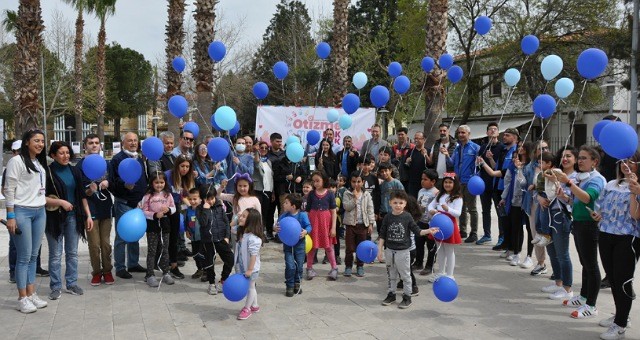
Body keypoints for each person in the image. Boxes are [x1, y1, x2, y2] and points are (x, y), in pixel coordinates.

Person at [551, 145, 606, 319]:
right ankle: (583, 296)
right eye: (580, 157)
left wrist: (569, 182)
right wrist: (564, 196)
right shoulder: (583, 177)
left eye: (584, 158)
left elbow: (588, 198)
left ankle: (591, 304)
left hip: (590, 225)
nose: (580, 161)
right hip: (580, 223)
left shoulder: (596, 179)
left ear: (594, 162)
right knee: (584, 263)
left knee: (591, 265)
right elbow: (575, 201)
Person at [590, 153, 639, 339]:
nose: (626, 165)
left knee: (623, 281)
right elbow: (601, 207)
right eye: (623, 162)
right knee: (612, 278)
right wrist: (598, 215)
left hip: (628, 238)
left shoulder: (637, 188)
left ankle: (620, 326)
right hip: (606, 234)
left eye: (631, 162)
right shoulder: (612, 184)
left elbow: (635, 216)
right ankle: (620, 316)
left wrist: (635, 191)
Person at [4, 129, 50, 313]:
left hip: (40, 211)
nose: (40, 144)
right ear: (26, 143)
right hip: (22, 212)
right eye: (36, 141)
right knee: (23, 258)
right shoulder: (16, 161)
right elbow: (9, 189)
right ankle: (22, 298)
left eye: (42, 141)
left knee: (33, 257)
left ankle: (31, 294)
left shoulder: (38, 163)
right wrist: (11, 216)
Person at [44, 141, 94, 300]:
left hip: (74, 217)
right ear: (53, 155)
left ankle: (71, 283)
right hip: (54, 218)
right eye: (61, 153)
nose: (65, 156)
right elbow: (40, 197)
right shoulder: (47, 173)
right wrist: (61, 203)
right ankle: (56, 286)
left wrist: (88, 215)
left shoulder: (74, 171)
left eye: (67, 152)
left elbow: (82, 196)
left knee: (72, 253)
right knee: (55, 254)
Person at [378, 191, 438, 309]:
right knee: (391, 274)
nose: (398, 205)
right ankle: (391, 294)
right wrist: (379, 250)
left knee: (405, 276)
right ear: (390, 203)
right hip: (390, 251)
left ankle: (407, 296)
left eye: (401, 202)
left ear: (405, 203)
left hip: (403, 252)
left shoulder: (407, 217)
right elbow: (382, 234)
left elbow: (417, 231)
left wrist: (428, 231)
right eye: (395, 202)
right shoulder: (388, 217)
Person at [76, 134, 114, 286]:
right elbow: (79, 191)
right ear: (85, 145)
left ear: (100, 146)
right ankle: (96, 272)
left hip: (105, 209)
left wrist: (107, 182)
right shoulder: (80, 166)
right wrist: (89, 191)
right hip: (90, 211)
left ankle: (108, 271)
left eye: (96, 143)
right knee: (94, 244)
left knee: (105, 243)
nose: (94, 145)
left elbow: (113, 180)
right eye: (90, 143)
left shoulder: (106, 163)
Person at [539, 147, 577, 300]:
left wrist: (559, 185)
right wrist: (539, 198)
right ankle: (558, 282)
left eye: (569, 156)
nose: (565, 159)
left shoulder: (575, 178)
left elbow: (572, 200)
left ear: (574, 159)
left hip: (561, 217)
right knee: (552, 251)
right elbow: (541, 190)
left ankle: (567, 289)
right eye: (563, 156)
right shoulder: (553, 172)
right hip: (548, 214)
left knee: (562, 254)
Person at [109, 132, 148, 279]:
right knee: (122, 236)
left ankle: (133, 263)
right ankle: (120, 267)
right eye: (129, 141)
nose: (133, 143)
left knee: (135, 233)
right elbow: (112, 182)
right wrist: (124, 185)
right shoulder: (117, 159)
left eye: (135, 140)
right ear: (123, 143)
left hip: (138, 203)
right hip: (123, 203)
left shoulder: (138, 158)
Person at [444, 125, 480, 242]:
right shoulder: (457, 148)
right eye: (459, 133)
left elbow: (479, 165)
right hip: (458, 182)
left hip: (469, 182)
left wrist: (475, 177)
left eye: (463, 133)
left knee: (472, 208)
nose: (460, 135)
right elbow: (451, 163)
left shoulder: (475, 148)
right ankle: (463, 230)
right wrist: (446, 155)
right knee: (462, 207)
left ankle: (474, 232)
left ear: (468, 134)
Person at [140, 172, 176, 287]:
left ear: (165, 183)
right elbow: (144, 211)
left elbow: (174, 207)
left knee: (165, 250)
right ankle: (149, 275)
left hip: (165, 226)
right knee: (152, 251)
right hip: (152, 227)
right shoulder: (147, 196)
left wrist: (169, 209)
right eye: (156, 182)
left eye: (161, 182)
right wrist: (155, 215)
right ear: (152, 183)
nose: (159, 185)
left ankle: (165, 272)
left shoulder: (168, 195)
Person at [427, 172, 463, 282]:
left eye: (450, 182)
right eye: (445, 182)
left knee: (449, 250)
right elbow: (430, 205)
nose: (447, 184)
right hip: (438, 224)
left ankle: (450, 274)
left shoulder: (457, 198)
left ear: (455, 184)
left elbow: (458, 213)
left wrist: (448, 209)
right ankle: (441, 272)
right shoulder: (440, 195)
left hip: (449, 225)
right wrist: (432, 210)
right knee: (440, 249)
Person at [197, 186, 233, 295]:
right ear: (203, 199)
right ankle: (211, 283)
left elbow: (226, 222)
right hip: (208, 241)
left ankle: (223, 280)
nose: (211, 201)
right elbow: (203, 223)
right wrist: (206, 209)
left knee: (230, 259)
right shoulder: (200, 209)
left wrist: (227, 236)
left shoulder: (219, 206)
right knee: (209, 263)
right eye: (207, 199)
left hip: (221, 239)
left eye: (212, 198)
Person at [274, 194, 312, 296]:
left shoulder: (302, 215)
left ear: (293, 206)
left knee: (299, 266)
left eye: (286, 203)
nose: (283, 204)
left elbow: (309, 226)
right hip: (287, 246)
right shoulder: (283, 216)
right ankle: (289, 285)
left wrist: (305, 232)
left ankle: (297, 283)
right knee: (290, 266)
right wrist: (275, 229)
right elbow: (277, 227)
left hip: (300, 246)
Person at [165, 155, 196, 279]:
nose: (184, 169)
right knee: (165, 239)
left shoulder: (185, 178)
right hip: (163, 209)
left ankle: (173, 266)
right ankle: (164, 264)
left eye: (187, 166)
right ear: (177, 165)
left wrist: (192, 206)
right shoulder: (168, 175)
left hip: (175, 209)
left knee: (174, 238)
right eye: (182, 166)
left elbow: (183, 196)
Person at [305, 171, 338, 280]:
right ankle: (309, 268)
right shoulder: (311, 194)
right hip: (313, 223)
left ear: (324, 180)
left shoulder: (330, 194)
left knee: (328, 246)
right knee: (312, 247)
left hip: (325, 224)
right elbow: (307, 211)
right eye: (314, 181)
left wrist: (333, 227)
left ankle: (334, 268)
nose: (315, 183)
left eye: (318, 181)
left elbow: (333, 212)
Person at [342, 172, 375, 277]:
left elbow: (370, 209)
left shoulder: (366, 195)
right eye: (353, 181)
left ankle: (360, 266)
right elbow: (346, 207)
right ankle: (348, 266)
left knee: (361, 247)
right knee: (349, 248)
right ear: (350, 182)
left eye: (359, 181)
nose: (356, 184)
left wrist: (370, 224)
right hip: (351, 225)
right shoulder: (347, 193)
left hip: (363, 225)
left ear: (363, 182)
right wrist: (354, 199)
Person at [219, 173, 262, 250]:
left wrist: (259, 233)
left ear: (249, 186)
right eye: (240, 186)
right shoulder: (234, 198)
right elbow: (217, 195)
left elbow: (259, 217)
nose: (242, 188)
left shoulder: (255, 200)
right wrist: (222, 187)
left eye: (245, 186)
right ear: (236, 186)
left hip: (249, 231)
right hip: (235, 231)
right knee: (237, 255)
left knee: (248, 254)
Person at [235, 208, 264, 320]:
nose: (240, 218)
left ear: (251, 221)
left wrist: (250, 270)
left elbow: (253, 255)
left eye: (243, 216)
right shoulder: (244, 233)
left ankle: (247, 308)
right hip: (245, 266)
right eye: (241, 215)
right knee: (251, 286)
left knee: (250, 287)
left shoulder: (254, 238)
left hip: (251, 268)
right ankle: (255, 306)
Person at [476, 122, 503, 245]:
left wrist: (491, 158)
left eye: (495, 129)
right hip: (484, 184)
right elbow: (479, 167)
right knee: (485, 210)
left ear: (498, 132)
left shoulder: (501, 147)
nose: (492, 131)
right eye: (490, 129)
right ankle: (487, 234)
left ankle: (502, 236)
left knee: (499, 211)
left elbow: (499, 169)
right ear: (487, 132)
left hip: (497, 185)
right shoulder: (483, 147)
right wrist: (479, 162)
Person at [414, 169, 439, 275]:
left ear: (433, 181)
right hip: (420, 222)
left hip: (431, 224)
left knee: (431, 246)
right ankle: (418, 262)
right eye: (422, 179)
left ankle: (429, 266)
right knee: (418, 243)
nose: (422, 181)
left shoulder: (436, 193)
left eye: (425, 179)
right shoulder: (421, 191)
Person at [252, 141, 275, 240]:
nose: (264, 149)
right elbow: (257, 164)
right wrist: (257, 151)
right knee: (259, 213)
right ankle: (259, 233)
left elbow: (271, 177)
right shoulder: (256, 159)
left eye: (266, 148)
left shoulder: (269, 161)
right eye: (262, 147)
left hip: (269, 189)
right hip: (259, 190)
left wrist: (273, 191)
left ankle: (263, 232)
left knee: (266, 213)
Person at [184, 188, 204, 279]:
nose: (192, 201)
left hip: (202, 237)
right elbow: (186, 222)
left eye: (195, 199)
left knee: (203, 254)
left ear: (200, 199)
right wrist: (187, 231)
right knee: (195, 254)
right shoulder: (188, 210)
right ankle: (199, 269)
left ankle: (206, 270)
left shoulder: (203, 210)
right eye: (190, 199)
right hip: (193, 237)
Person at [403, 132, 429, 198]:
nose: (416, 140)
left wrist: (425, 155)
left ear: (424, 140)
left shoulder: (428, 150)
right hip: (413, 181)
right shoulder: (411, 151)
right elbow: (405, 166)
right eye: (415, 138)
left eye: (418, 138)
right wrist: (407, 161)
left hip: (425, 181)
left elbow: (431, 164)